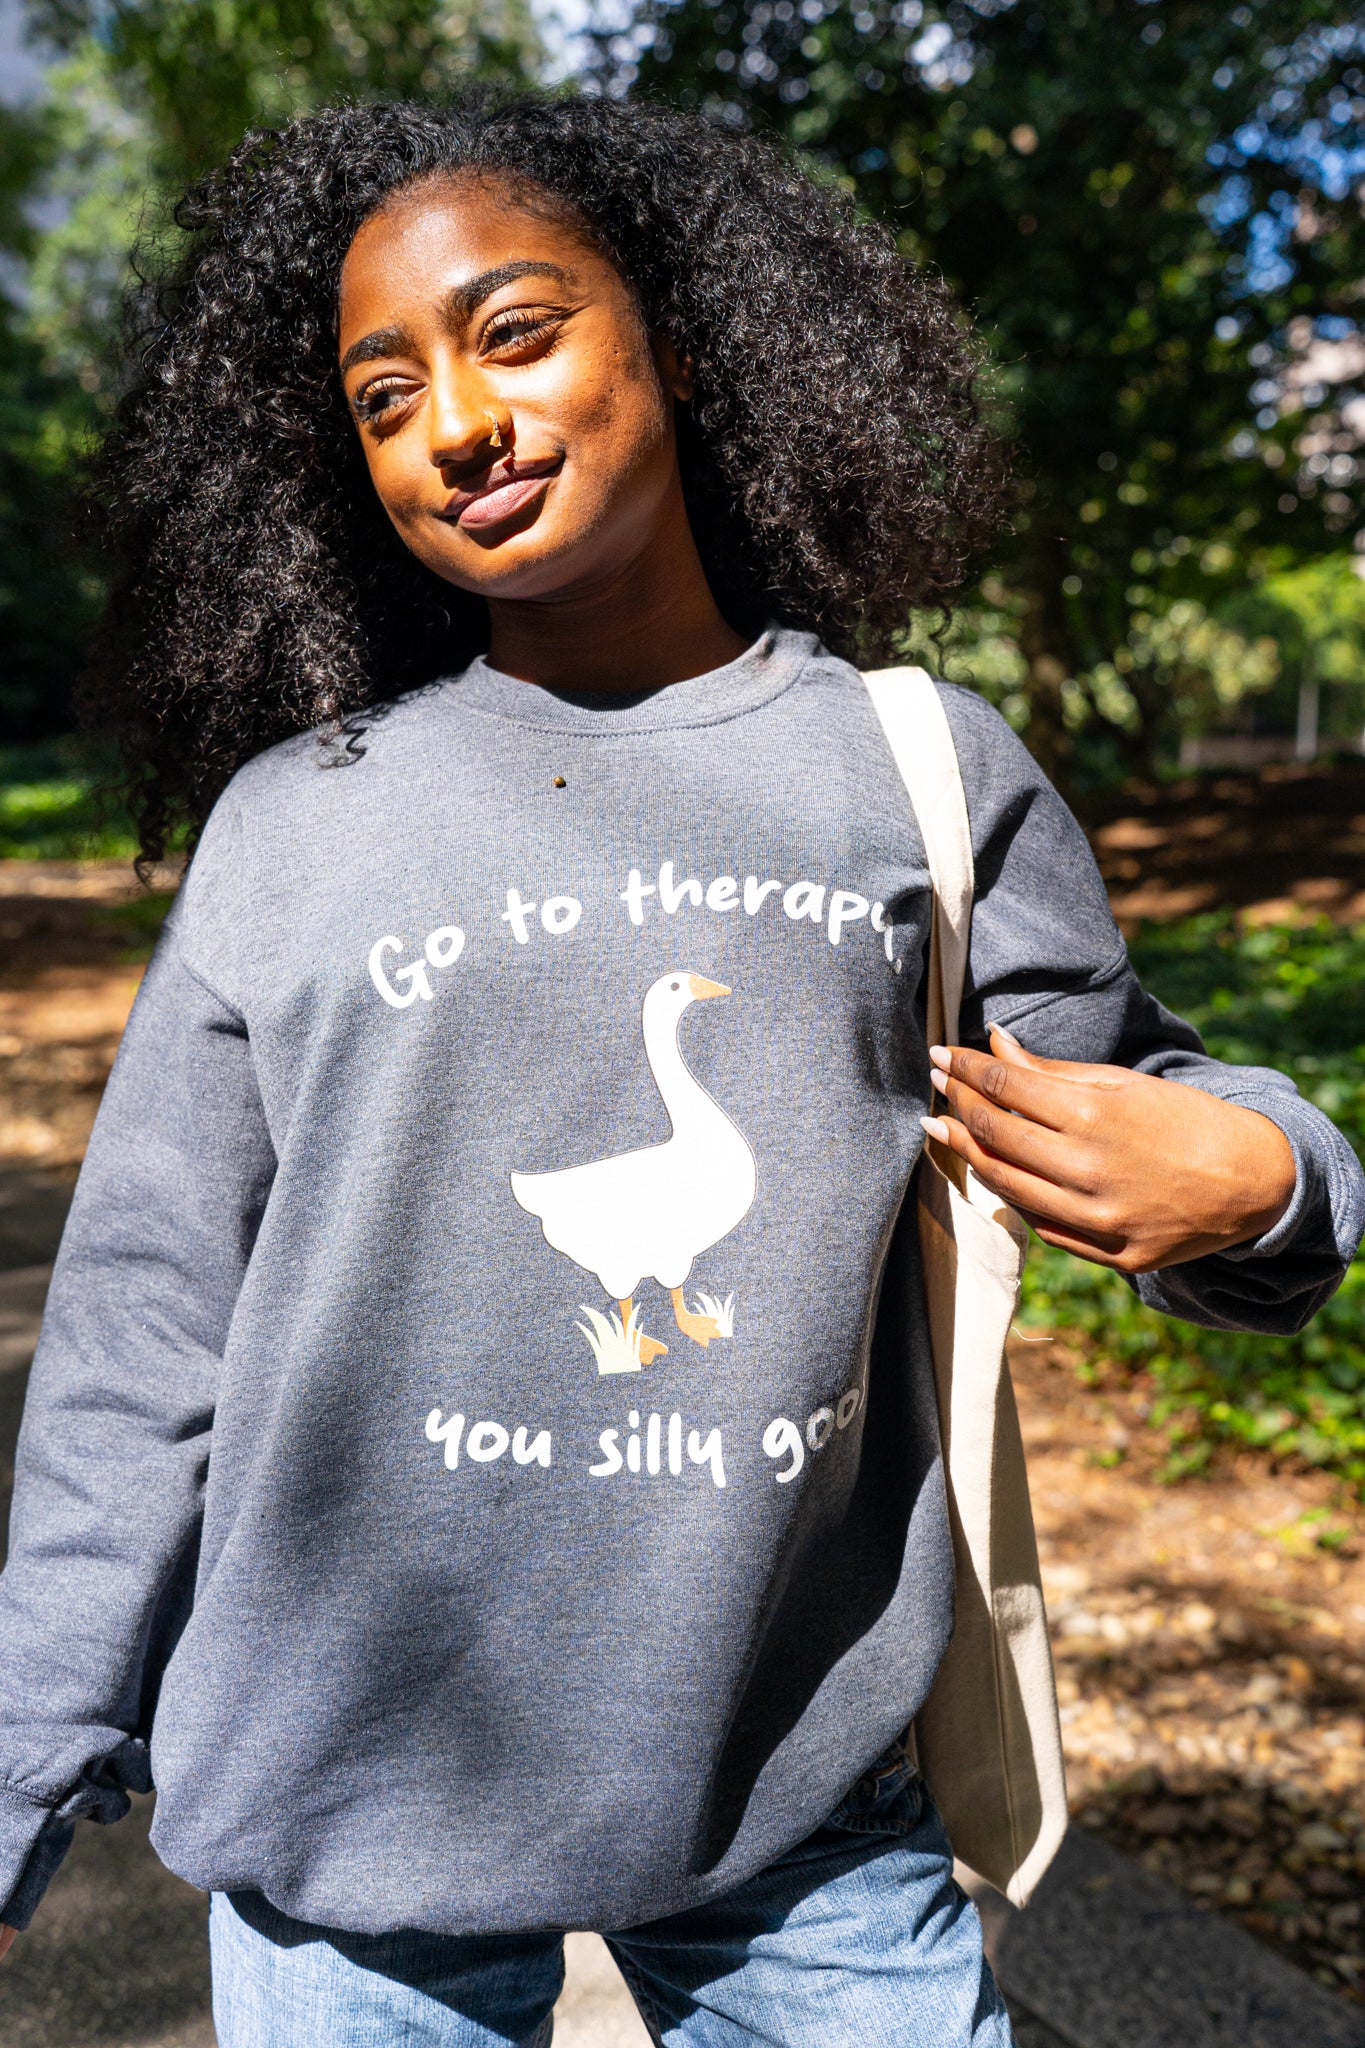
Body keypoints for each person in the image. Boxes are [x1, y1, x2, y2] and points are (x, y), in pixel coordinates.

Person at [0, 89, 1360, 2047]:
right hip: (345, 1822)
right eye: (382, 396)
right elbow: (141, 1345)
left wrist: (1263, 1177)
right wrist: (22, 1790)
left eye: (516, 331)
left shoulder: (910, 770)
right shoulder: (296, 824)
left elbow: (1152, 1108)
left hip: (798, 1809)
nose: (453, 422)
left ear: (681, 344)